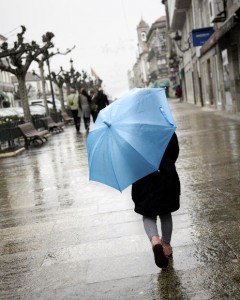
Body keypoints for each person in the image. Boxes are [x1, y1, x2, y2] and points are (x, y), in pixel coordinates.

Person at [131, 132, 180, 269]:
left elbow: (128, 160)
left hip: (142, 178)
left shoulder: (131, 134)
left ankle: (155, 241)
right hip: (165, 174)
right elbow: (174, 151)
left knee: (148, 214)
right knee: (165, 212)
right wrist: (167, 164)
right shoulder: (164, 128)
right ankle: (166, 245)